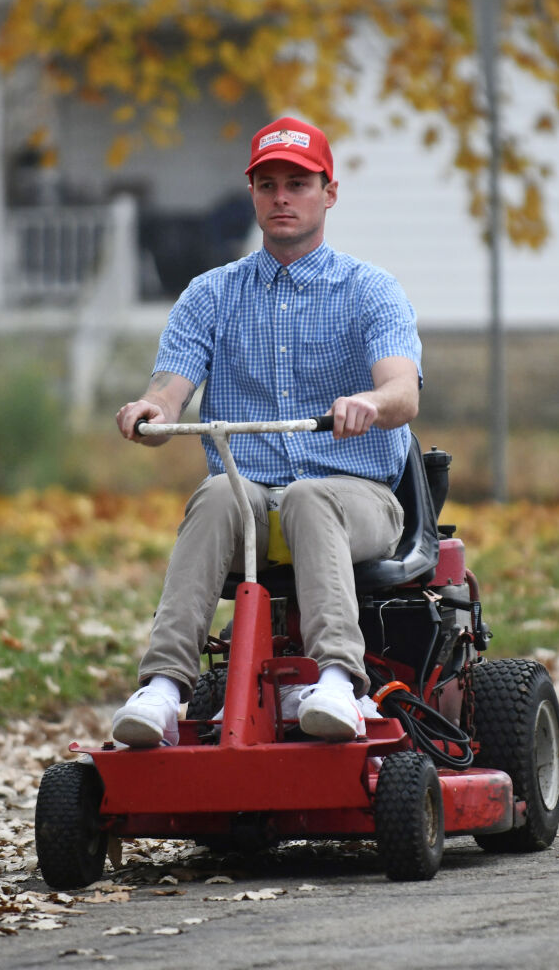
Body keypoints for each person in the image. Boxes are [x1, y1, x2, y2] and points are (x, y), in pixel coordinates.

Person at [109, 116, 423, 747]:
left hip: (354, 493)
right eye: (269, 184)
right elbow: (170, 386)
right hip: (249, 498)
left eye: (299, 184)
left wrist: (369, 401)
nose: (283, 197)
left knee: (310, 496)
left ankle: (339, 681)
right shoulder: (210, 294)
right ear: (252, 195)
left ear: (328, 193)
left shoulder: (370, 291)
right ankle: (164, 689)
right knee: (219, 492)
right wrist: (147, 410)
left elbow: (403, 392)